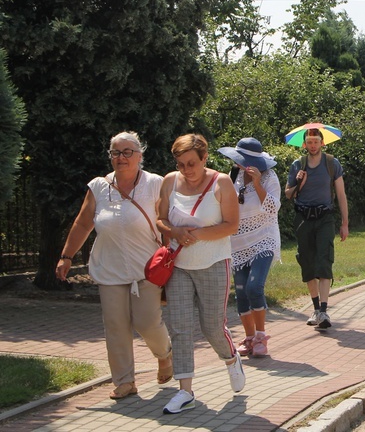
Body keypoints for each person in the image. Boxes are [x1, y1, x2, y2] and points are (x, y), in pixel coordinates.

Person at [56, 131, 172, 400]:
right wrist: (66, 255)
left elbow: (167, 220)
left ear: (140, 155)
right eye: (115, 153)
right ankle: (124, 381)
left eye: (127, 152)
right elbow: (84, 223)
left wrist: (171, 255)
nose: (121, 157)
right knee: (116, 327)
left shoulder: (156, 183)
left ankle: (165, 355)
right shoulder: (99, 186)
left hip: (147, 269)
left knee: (147, 323)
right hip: (110, 269)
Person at [156, 134, 244, 414]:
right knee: (179, 327)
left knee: (212, 327)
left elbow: (231, 225)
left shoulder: (221, 183)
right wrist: (174, 232)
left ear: (205, 158)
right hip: (179, 265)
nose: (186, 170)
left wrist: (197, 234)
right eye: (181, 164)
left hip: (214, 262)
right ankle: (185, 392)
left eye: (191, 163)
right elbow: (160, 218)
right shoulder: (169, 181)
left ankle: (231, 359)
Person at [219, 138, 281, 358]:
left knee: (255, 287)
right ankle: (248, 338)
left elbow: (273, 208)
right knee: (242, 292)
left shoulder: (269, 177)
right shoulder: (231, 177)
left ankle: (261, 336)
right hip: (237, 242)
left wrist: (257, 184)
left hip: (264, 238)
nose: (242, 164)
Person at [284, 128, 349, 329]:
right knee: (308, 263)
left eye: (316, 141)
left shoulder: (332, 163)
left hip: (325, 218)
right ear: (304, 144)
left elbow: (341, 194)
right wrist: (298, 181)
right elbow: (288, 194)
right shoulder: (298, 165)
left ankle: (323, 310)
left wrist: (345, 223)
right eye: (309, 142)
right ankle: (314, 309)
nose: (313, 145)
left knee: (324, 260)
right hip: (303, 218)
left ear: (322, 143)